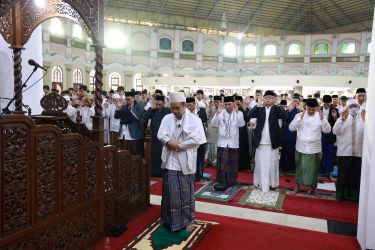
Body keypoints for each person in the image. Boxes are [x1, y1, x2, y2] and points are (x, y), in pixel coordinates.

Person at [157, 92, 206, 232]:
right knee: (169, 192)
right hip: (170, 160)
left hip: (185, 159)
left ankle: (188, 220)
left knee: (185, 193)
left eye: (177, 108)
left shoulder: (194, 120)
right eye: (172, 108)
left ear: (184, 105)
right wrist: (168, 141)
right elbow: (161, 133)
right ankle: (167, 219)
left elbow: (197, 139)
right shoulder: (167, 118)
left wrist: (179, 146)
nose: (174, 111)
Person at [289, 98, 331, 195]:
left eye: (313, 109)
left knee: (314, 170)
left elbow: (327, 130)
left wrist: (323, 119)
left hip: (315, 149)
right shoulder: (299, 115)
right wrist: (300, 118)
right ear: (305, 107)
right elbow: (291, 128)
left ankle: (314, 189)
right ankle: (296, 188)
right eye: (309, 109)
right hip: (301, 147)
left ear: (316, 108)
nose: (311, 111)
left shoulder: (321, 116)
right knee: (299, 168)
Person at [249, 90, 288, 193]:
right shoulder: (259, 109)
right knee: (259, 164)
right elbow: (249, 115)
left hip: (272, 142)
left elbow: (285, 117)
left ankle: (274, 184)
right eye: (266, 98)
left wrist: (278, 105)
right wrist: (257, 104)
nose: (268, 100)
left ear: (274, 99)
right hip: (260, 141)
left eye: (270, 98)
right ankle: (257, 183)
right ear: (263, 99)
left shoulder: (276, 109)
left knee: (273, 164)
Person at [332, 99, 365, 201]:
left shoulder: (362, 119)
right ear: (347, 108)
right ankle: (340, 195)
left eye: (355, 106)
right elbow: (335, 131)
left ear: (359, 107)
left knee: (355, 176)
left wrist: (365, 121)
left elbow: (367, 134)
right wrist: (342, 119)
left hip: (358, 153)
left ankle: (354, 196)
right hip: (344, 152)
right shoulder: (343, 118)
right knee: (343, 175)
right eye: (351, 106)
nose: (354, 108)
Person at [211, 96, 246, 187]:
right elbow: (214, 124)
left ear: (233, 104)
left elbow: (242, 124)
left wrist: (237, 112)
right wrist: (217, 113)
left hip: (233, 143)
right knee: (222, 164)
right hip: (222, 142)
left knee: (231, 164)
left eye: (229, 104)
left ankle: (231, 182)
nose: (227, 106)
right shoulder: (221, 113)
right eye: (225, 104)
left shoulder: (239, 113)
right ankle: (221, 181)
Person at [141, 95, 171, 177]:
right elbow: (145, 117)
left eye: (160, 105)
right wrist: (151, 108)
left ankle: (161, 173)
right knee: (153, 155)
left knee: (161, 155)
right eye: (157, 104)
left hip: (163, 137)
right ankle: (153, 172)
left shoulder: (168, 111)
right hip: (153, 137)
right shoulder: (153, 111)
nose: (158, 106)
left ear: (164, 104)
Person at [114, 91, 144, 156]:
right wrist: (118, 107)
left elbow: (139, 117)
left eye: (129, 99)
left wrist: (132, 108)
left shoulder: (139, 106)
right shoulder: (124, 107)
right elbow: (116, 116)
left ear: (133, 98)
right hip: (123, 135)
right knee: (123, 155)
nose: (127, 101)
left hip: (134, 135)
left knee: (134, 155)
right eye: (126, 99)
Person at [186, 97, 207, 181]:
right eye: (186, 105)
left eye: (190, 105)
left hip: (199, 139)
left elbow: (204, 120)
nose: (188, 107)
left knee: (199, 158)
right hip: (189, 139)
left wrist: (197, 113)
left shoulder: (201, 111)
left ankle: (199, 175)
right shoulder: (184, 113)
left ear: (194, 104)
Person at [279, 95, 301, 173]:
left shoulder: (300, 111)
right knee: (286, 148)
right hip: (287, 131)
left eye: (297, 101)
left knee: (293, 149)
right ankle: (283, 166)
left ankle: (292, 167)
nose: (295, 103)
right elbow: (285, 118)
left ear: (299, 102)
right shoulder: (289, 109)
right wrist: (289, 110)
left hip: (295, 132)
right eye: (294, 101)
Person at [319, 95, 339, 176]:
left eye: (328, 104)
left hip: (330, 135)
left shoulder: (335, 109)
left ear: (330, 103)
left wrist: (335, 117)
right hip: (321, 135)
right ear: (323, 102)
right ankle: (320, 170)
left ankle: (328, 171)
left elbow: (339, 122)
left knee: (330, 153)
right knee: (321, 153)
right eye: (325, 104)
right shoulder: (318, 109)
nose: (326, 106)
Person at [234, 96, 251, 171]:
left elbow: (247, 120)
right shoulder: (232, 109)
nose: (237, 103)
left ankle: (243, 166)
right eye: (236, 101)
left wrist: (244, 110)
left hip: (242, 132)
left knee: (243, 147)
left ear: (241, 102)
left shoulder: (246, 109)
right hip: (234, 131)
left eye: (239, 101)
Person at [205, 96, 221, 167]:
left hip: (218, 130)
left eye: (217, 102)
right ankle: (209, 160)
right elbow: (207, 116)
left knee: (216, 145)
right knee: (210, 145)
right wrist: (208, 107)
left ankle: (215, 162)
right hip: (210, 129)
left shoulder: (223, 110)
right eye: (215, 102)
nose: (216, 104)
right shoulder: (212, 108)